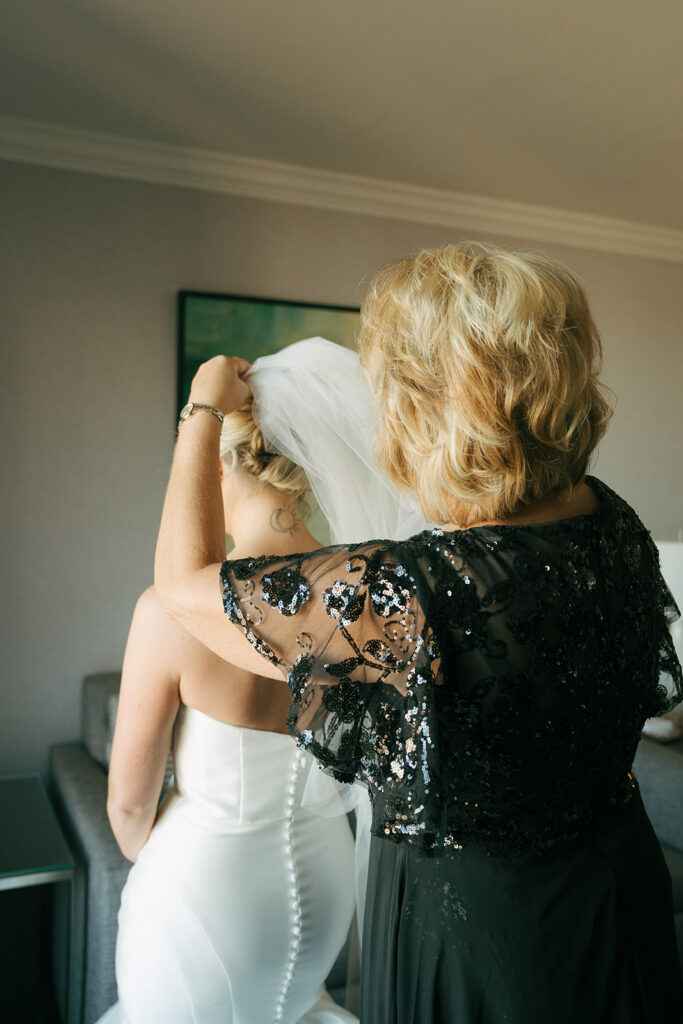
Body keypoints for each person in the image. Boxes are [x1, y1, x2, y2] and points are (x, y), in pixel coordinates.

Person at [155, 242, 683, 1023]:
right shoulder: (608, 521)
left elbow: (181, 588)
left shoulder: (413, 589)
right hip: (616, 891)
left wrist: (202, 409)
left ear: (424, 400)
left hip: (487, 942)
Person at [99, 398, 359, 1024]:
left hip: (205, 894)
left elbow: (130, 809)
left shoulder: (176, 609)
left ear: (214, 469)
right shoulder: (366, 595)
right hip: (328, 881)